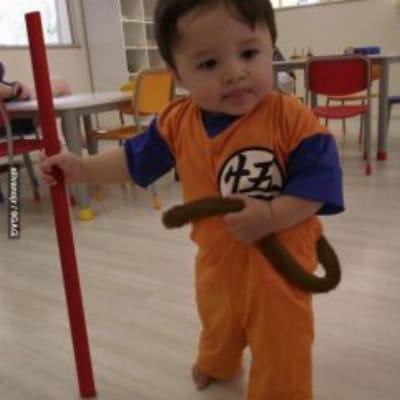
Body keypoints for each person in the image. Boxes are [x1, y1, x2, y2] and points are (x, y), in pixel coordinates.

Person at [41, 0, 344, 398]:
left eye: (249, 53)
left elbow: (316, 188)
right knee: (218, 319)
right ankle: (218, 363)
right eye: (208, 64)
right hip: (216, 258)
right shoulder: (176, 122)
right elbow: (132, 161)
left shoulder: (294, 120)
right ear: (178, 75)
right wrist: (82, 168)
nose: (234, 73)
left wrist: (272, 215)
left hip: (279, 266)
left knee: (281, 340)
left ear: (272, 48)